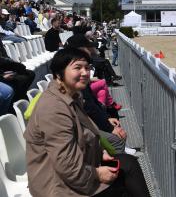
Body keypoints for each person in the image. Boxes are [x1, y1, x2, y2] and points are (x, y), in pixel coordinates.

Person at [24, 48, 150, 197]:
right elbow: (68, 167)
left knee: (128, 163)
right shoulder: (54, 109)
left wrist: (101, 152)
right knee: (126, 180)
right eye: (77, 67)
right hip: (57, 186)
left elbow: (83, 134)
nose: (85, 73)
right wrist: (97, 174)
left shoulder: (70, 96)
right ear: (58, 74)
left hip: (71, 174)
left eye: (87, 67)